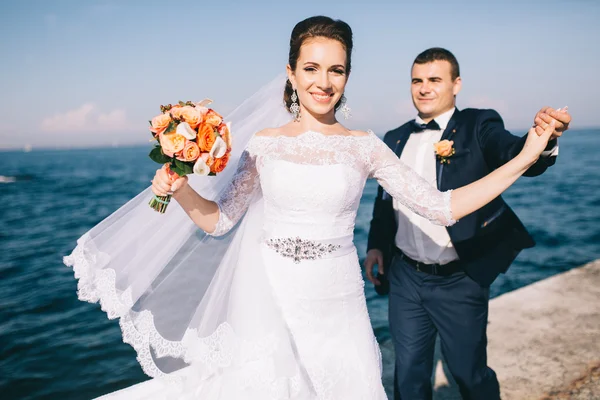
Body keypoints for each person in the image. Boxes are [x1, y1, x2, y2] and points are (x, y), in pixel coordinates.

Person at [64, 17, 561, 400]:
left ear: (347, 75)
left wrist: (523, 156)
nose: (324, 81)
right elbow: (221, 222)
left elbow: (442, 207)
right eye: (312, 68)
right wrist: (181, 192)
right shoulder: (262, 144)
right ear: (291, 72)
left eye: (336, 69)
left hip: (338, 303)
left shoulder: (366, 146)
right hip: (270, 300)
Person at [364, 48, 571, 400]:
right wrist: (375, 246)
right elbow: (386, 201)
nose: (424, 88)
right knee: (409, 374)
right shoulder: (395, 136)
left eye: (434, 80)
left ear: (456, 84)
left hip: (459, 277)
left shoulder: (479, 124)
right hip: (406, 278)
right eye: (417, 80)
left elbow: (512, 153)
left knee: (469, 371)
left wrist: (543, 140)